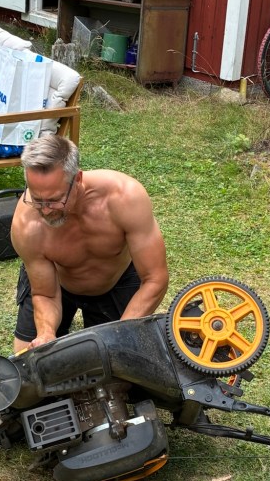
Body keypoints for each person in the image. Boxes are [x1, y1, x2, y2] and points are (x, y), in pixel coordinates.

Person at [10, 133, 169, 351]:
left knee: (118, 365)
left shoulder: (125, 197)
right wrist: (46, 333)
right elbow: (45, 293)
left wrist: (120, 334)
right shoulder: (27, 224)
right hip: (56, 283)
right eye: (37, 199)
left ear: (77, 180)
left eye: (55, 200)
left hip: (115, 281)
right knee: (26, 362)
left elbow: (155, 279)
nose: (45, 211)